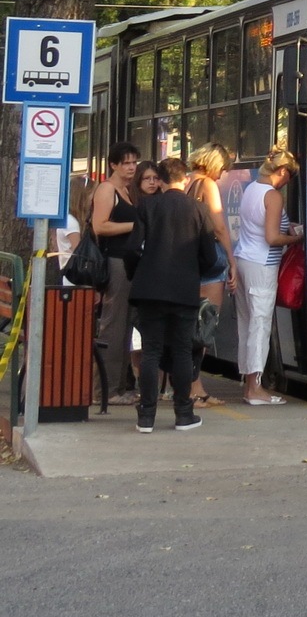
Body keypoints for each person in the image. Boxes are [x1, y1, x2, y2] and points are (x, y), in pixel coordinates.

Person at [128, 174, 214, 433]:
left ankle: (146, 416)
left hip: (150, 290)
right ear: (184, 180)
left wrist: (138, 274)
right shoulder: (199, 209)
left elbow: (132, 248)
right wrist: (193, 271)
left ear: (162, 182)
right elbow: (210, 256)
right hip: (184, 291)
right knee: (182, 351)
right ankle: (183, 414)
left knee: (151, 351)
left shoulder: (147, 206)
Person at [233, 144, 300, 406]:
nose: (287, 182)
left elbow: (259, 226)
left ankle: (248, 384)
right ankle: (255, 389)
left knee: (246, 324)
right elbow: (272, 238)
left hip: (244, 260)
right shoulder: (273, 195)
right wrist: (298, 238)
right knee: (260, 325)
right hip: (262, 265)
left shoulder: (251, 189)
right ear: (282, 171)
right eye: (288, 177)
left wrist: (287, 228)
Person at [176, 149, 235, 409]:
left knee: (189, 325)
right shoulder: (208, 184)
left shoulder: (187, 182)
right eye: (222, 168)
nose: (222, 174)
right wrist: (232, 260)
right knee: (205, 326)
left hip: (188, 259)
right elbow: (219, 227)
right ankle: (194, 388)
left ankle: (188, 386)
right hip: (210, 259)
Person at [89, 144, 142, 403]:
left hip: (130, 262)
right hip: (115, 262)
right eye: (126, 163)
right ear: (113, 165)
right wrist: (135, 226)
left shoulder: (128, 191)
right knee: (114, 324)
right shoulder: (107, 189)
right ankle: (105, 390)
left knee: (126, 326)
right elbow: (99, 226)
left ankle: (119, 387)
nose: (131, 167)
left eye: (134, 162)